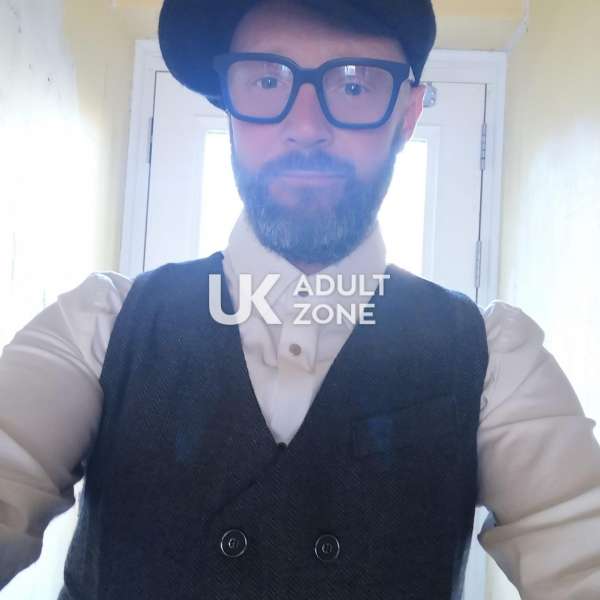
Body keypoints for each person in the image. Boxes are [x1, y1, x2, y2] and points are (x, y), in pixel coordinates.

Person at [1, 0, 599, 598]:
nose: (307, 125)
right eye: (266, 81)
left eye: (354, 85)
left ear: (407, 115)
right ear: (229, 106)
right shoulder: (99, 326)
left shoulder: (496, 359)